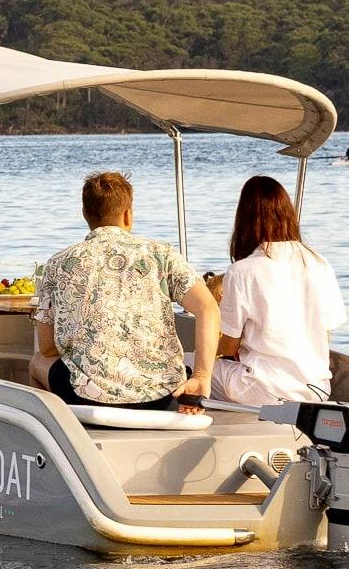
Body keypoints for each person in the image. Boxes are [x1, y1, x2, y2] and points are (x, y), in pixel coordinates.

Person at [32, 169, 220, 410]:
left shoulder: (59, 263)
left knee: (37, 363)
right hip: (161, 394)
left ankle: (58, 437)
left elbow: (47, 346)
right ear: (128, 215)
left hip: (88, 394)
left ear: (85, 215)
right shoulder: (162, 254)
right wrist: (202, 376)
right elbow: (208, 308)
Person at [208, 174, 347, 406]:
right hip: (317, 390)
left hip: (263, 390)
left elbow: (229, 346)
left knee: (188, 364)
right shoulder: (319, 262)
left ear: (244, 219)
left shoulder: (242, 270)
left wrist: (206, 346)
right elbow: (327, 330)